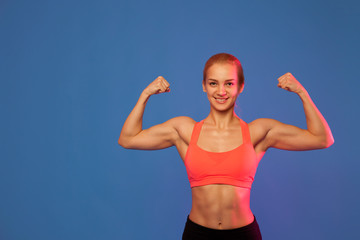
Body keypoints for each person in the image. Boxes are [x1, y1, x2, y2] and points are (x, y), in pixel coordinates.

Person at [118, 53, 334, 240]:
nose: (221, 91)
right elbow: (128, 139)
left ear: (240, 86)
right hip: (198, 234)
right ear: (204, 85)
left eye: (229, 83)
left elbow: (322, 139)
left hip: (243, 235)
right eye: (213, 83)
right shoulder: (184, 130)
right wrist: (145, 95)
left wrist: (302, 93)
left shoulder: (257, 132)